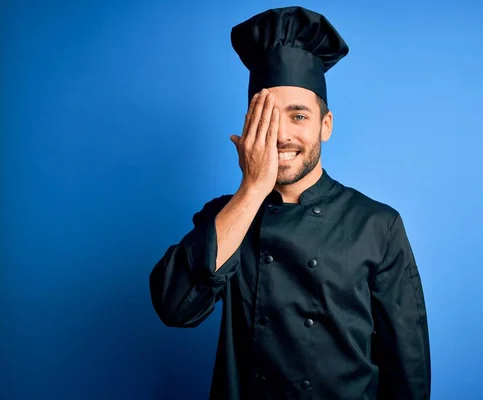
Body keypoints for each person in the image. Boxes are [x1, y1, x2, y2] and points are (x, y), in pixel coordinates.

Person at [149, 6, 431, 400]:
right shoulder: (226, 217)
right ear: (249, 124)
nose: (281, 135)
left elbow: (408, 369)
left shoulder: (377, 225)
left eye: (298, 116)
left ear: (325, 126)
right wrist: (251, 189)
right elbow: (174, 307)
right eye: (266, 117)